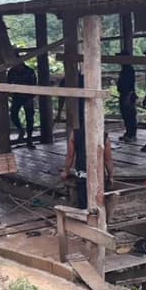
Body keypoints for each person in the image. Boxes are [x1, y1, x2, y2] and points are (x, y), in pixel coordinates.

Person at [60, 77, 114, 209]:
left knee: (85, 206)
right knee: (99, 205)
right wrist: (111, 176)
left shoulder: (75, 133)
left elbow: (70, 156)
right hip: (99, 176)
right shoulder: (103, 135)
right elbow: (108, 159)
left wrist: (66, 171)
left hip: (83, 176)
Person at [7, 61, 37, 148]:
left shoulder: (30, 71)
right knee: (13, 114)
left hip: (28, 97)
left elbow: (34, 85)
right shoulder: (12, 71)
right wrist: (10, 93)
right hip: (17, 96)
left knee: (30, 119)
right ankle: (20, 129)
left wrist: (31, 97)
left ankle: (29, 140)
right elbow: (8, 83)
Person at [117, 51, 138, 142]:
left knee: (130, 115)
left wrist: (128, 97)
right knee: (125, 115)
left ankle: (132, 134)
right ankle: (128, 133)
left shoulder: (129, 69)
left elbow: (130, 85)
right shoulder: (124, 69)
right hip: (123, 94)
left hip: (128, 95)